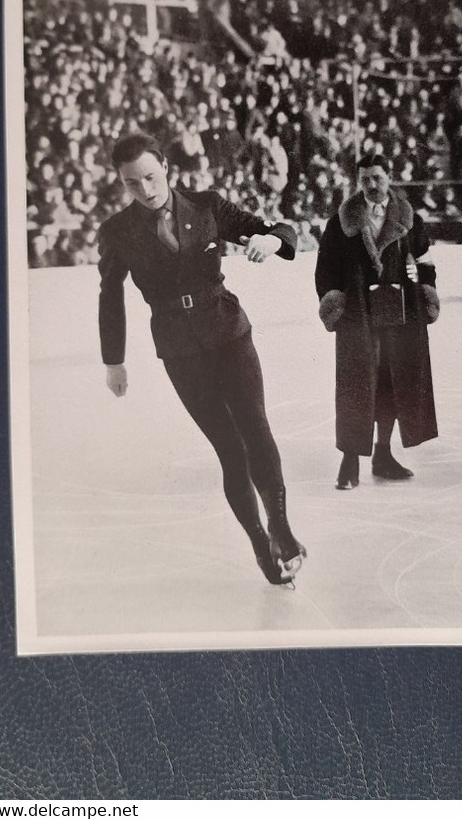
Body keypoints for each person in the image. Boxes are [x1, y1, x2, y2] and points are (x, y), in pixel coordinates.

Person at [98, 132, 305, 585]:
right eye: (133, 184)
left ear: (166, 168)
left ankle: (282, 529)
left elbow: (280, 231)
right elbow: (109, 295)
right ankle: (259, 542)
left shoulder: (207, 206)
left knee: (256, 428)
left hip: (229, 334)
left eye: (151, 177)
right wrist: (113, 359)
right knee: (230, 450)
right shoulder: (118, 232)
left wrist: (271, 244)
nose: (146, 190)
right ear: (123, 183)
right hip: (180, 352)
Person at [315, 153, 439, 490]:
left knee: (390, 384)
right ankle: (350, 460)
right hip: (358, 318)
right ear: (358, 182)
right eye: (365, 179)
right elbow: (325, 271)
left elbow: (426, 262)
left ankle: (383, 454)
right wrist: (334, 301)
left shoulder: (411, 220)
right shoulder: (340, 224)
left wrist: (424, 286)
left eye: (377, 178)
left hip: (400, 316)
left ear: (390, 177)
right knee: (357, 387)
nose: (371, 185)